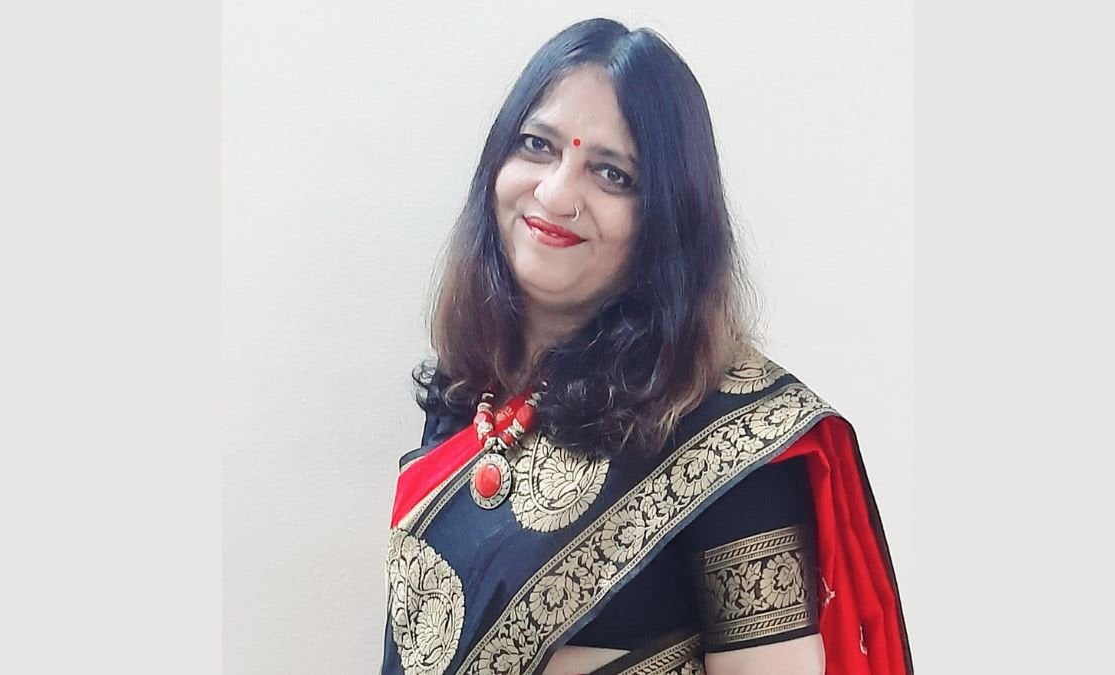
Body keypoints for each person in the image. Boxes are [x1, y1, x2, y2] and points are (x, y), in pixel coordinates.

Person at [381, 18, 911, 675]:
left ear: (668, 217)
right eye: (538, 145)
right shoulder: (469, 393)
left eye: (612, 174)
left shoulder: (729, 443)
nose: (557, 193)